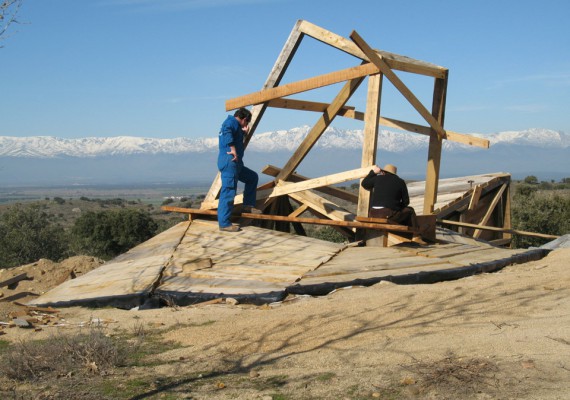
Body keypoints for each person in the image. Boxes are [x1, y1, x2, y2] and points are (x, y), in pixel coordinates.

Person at [217, 107, 261, 232]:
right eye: (247, 122)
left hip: (236, 164)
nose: (246, 124)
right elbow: (227, 130)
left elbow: (235, 134)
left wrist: (244, 133)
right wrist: (232, 148)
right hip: (230, 162)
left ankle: (247, 205)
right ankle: (224, 224)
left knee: (252, 177)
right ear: (245, 119)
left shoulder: (235, 125)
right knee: (228, 192)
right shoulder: (230, 123)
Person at [361, 163, 426, 244]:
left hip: (373, 214)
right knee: (410, 211)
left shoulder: (377, 179)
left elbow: (364, 183)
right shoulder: (400, 181)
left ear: (383, 172)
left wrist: (373, 172)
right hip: (388, 215)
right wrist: (397, 206)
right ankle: (416, 236)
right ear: (394, 173)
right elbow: (406, 202)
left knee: (398, 212)